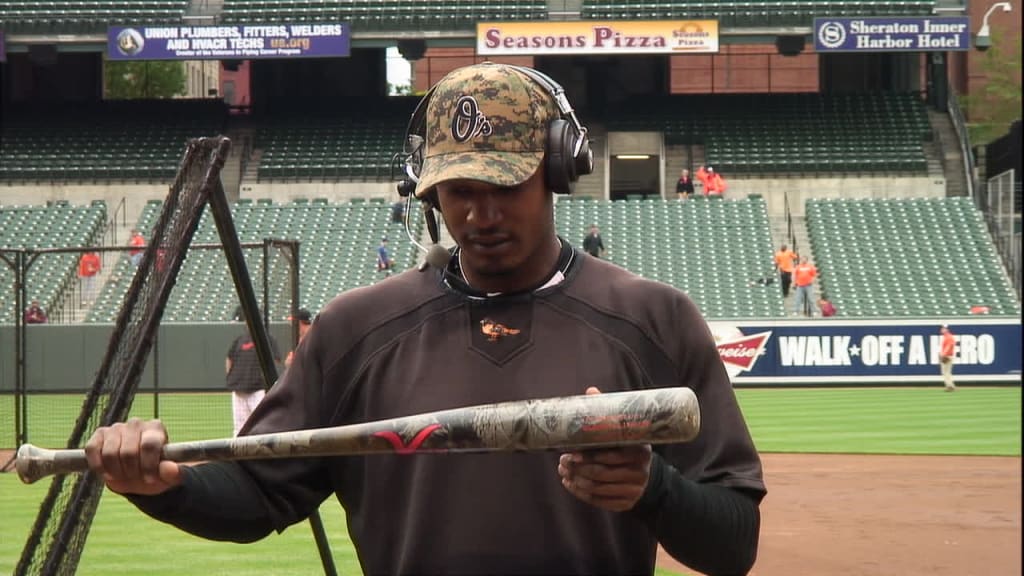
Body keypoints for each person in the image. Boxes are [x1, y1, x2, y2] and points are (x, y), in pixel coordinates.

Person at [83, 62, 765, 575]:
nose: (481, 214)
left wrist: (653, 489)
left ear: (556, 170)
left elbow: (733, 539)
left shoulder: (653, 318)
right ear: (427, 191)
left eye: (505, 186)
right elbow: (258, 495)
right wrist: (163, 487)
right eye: (457, 192)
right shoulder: (355, 330)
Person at [225, 308, 282, 437]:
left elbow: (276, 360)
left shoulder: (267, 339)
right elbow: (229, 358)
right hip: (238, 389)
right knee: (239, 428)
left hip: (257, 390)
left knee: (260, 425)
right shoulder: (240, 340)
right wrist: (231, 376)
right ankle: (238, 455)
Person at [939, 324, 956, 392]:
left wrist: (943, 354)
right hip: (948, 355)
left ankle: (949, 386)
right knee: (946, 372)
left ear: (946, 329)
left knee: (946, 372)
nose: (941, 330)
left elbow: (949, 346)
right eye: (942, 328)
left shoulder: (949, 337)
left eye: (943, 328)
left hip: (947, 356)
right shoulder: (947, 337)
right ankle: (951, 386)